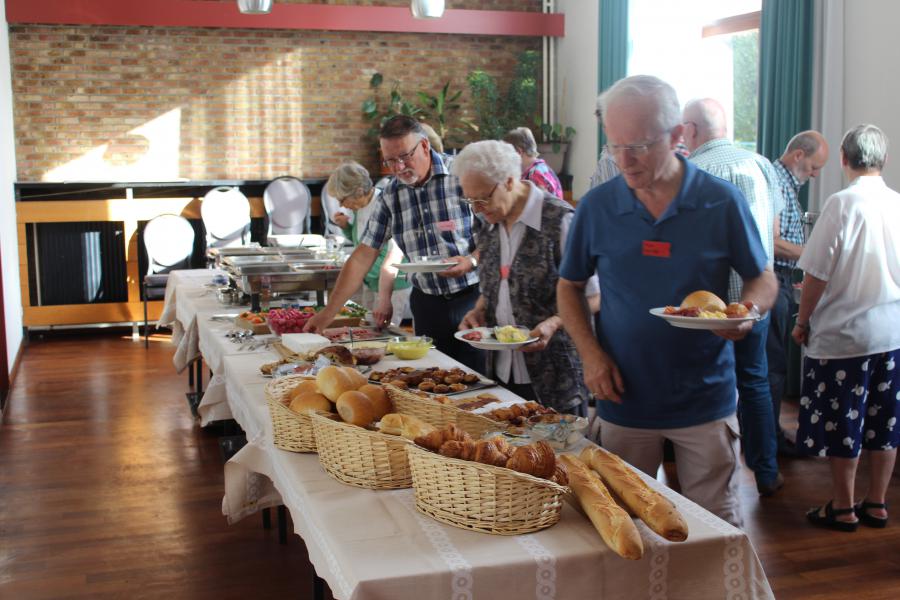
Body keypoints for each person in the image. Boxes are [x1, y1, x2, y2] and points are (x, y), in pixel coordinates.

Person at [557, 75, 777, 528]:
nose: (625, 161)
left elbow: (763, 278)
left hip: (704, 400)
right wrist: (591, 355)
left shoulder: (720, 202)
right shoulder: (598, 206)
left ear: (678, 136)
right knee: (625, 523)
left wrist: (748, 313)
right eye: (614, 146)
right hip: (622, 398)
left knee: (713, 527)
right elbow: (569, 286)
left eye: (637, 146)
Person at [303, 116, 484, 372]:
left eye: (404, 157)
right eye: (390, 161)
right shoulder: (391, 195)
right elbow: (363, 255)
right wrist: (328, 314)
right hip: (426, 303)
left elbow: (496, 236)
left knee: (476, 379)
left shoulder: (462, 177)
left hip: (472, 298)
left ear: (424, 146)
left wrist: (472, 260)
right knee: (435, 378)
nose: (398, 168)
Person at [793, 124, 900, 531]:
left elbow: (816, 274)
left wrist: (802, 322)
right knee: (885, 422)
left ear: (843, 158)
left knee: (846, 423)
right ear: (884, 160)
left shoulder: (841, 204)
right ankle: (877, 503)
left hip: (846, 338)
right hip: (892, 335)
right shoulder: (897, 203)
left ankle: (843, 507)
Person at [682, 97, 785, 496]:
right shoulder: (761, 164)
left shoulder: (693, 172)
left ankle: (699, 472)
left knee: (706, 386)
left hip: (711, 308)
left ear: (690, 130)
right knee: (755, 381)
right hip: (756, 299)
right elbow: (772, 233)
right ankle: (766, 470)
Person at [451, 140, 598, 415]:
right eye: (471, 201)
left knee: (563, 456)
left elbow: (596, 295)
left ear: (509, 181)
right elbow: (501, 280)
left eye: (482, 198)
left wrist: (554, 323)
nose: (477, 209)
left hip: (555, 374)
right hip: (501, 370)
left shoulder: (559, 220)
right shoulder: (489, 222)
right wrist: (479, 309)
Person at [768, 130, 830, 455]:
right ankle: (769, 443)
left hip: (782, 276)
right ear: (798, 156)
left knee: (773, 366)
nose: (816, 174)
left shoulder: (787, 183)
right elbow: (773, 241)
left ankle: (768, 438)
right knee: (773, 368)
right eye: (815, 167)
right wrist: (813, 253)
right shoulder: (776, 182)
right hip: (772, 280)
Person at [325, 162, 411, 327]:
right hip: (370, 280)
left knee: (386, 330)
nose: (341, 205)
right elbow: (363, 242)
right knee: (368, 329)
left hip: (392, 283)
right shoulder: (360, 207)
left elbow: (394, 252)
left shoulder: (383, 205)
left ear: (358, 191)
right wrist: (346, 227)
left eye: (342, 199)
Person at [502, 127, 564, 199]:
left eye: (506, 153)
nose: (505, 158)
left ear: (518, 152)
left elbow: (540, 207)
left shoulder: (535, 175)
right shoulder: (540, 168)